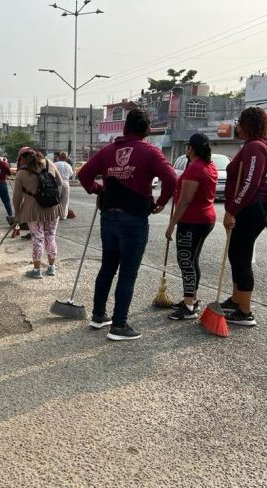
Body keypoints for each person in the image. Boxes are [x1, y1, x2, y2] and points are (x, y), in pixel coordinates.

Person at [78, 109, 177, 341]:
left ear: (124, 128)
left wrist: (98, 189)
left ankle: (98, 315)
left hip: (109, 216)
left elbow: (84, 175)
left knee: (107, 267)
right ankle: (119, 325)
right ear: (147, 130)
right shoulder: (150, 152)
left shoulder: (108, 151)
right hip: (133, 218)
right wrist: (161, 202)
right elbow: (172, 178)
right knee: (128, 272)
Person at [221, 107, 267, 327]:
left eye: (239, 123)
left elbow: (250, 183)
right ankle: (236, 300)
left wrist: (232, 210)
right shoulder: (259, 145)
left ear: (247, 125)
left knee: (241, 258)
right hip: (251, 209)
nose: (237, 127)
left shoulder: (255, 147)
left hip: (250, 209)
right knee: (236, 254)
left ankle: (244, 311)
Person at [165, 133, 218, 320]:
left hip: (192, 222)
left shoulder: (195, 168)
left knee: (185, 261)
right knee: (192, 260)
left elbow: (185, 200)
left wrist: (171, 225)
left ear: (191, 149)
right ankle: (191, 299)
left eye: (187, 147)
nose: (186, 150)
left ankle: (189, 307)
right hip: (205, 219)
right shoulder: (209, 165)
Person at [13, 147, 63, 278]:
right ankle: (51, 267)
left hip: (33, 211)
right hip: (53, 207)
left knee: (38, 239)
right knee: (50, 236)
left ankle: (37, 270)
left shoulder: (21, 173)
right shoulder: (49, 163)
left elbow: (17, 197)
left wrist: (17, 214)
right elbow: (59, 182)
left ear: (22, 158)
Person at [53, 151, 74, 220]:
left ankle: (55, 215)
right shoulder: (68, 166)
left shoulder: (55, 164)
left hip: (56, 184)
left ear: (59, 157)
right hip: (66, 184)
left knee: (55, 200)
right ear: (66, 158)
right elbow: (71, 174)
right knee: (65, 201)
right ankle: (63, 216)